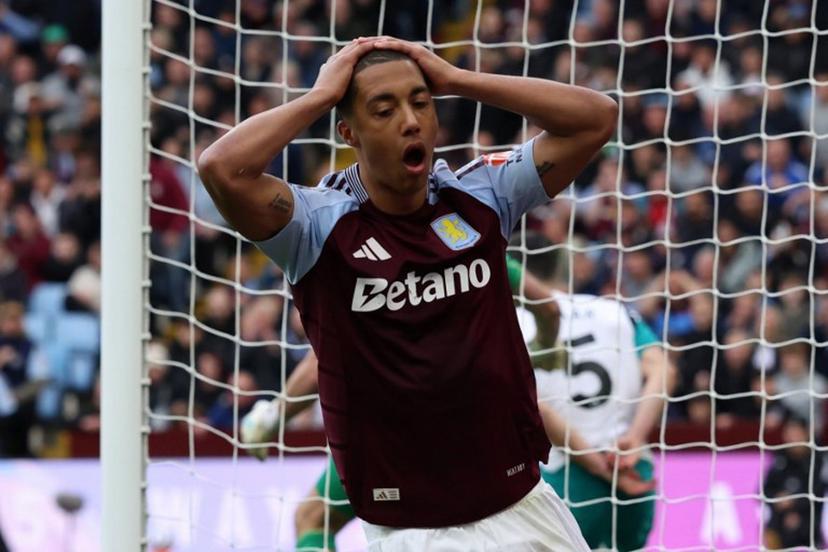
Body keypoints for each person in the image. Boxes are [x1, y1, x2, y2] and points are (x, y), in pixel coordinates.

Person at [199, 35, 617, 549]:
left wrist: (457, 79)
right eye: (384, 109)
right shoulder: (315, 227)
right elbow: (222, 169)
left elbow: (596, 117)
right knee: (311, 516)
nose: (411, 120)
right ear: (348, 130)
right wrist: (318, 97)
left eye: (421, 103)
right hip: (412, 530)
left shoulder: (480, 195)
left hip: (523, 506)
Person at [515, 237, 677, 551]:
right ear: (563, 265)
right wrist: (634, 436)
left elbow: (537, 408)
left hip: (567, 478)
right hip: (632, 469)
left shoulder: (516, 322)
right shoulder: (614, 310)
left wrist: (594, 462)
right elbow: (664, 371)